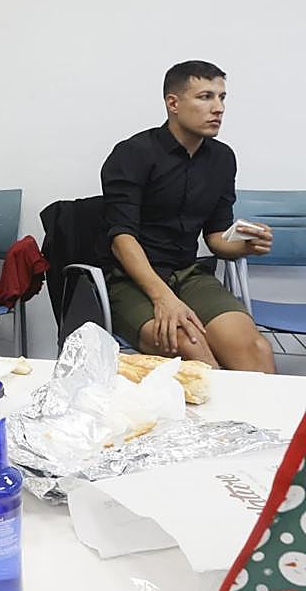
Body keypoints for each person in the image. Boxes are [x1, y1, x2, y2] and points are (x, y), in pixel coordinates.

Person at [100, 60, 276, 373]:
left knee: (255, 350)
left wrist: (244, 245)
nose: (218, 107)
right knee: (193, 350)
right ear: (173, 103)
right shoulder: (133, 153)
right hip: (132, 280)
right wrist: (163, 297)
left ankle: (262, 423)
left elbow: (216, 236)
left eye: (222, 97)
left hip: (188, 273)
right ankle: (221, 424)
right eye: (205, 97)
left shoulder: (222, 158)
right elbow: (121, 239)